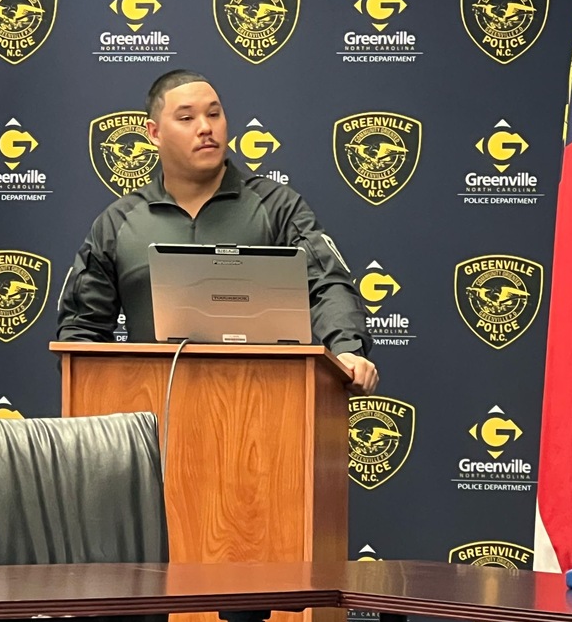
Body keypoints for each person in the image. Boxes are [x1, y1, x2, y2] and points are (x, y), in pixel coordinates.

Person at [57, 69, 378, 395]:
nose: (205, 128)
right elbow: (81, 328)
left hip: (265, 406)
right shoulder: (118, 222)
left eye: (214, 114)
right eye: (186, 118)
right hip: (152, 407)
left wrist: (347, 349)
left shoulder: (277, 206)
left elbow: (328, 284)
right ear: (154, 133)